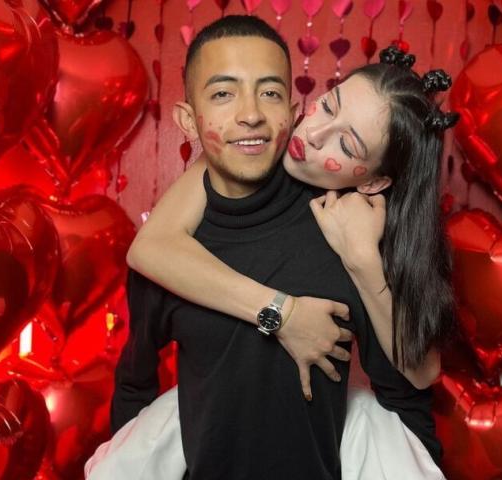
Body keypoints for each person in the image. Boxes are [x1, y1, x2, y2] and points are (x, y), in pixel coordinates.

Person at [92, 15, 456, 480]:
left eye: (346, 144)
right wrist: (282, 314)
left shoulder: (354, 230)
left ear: (374, 181)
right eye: (327, 107)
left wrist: (363, 258)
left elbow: (417, 379)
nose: (314, 135)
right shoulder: (188, 226)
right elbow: (147, 266)